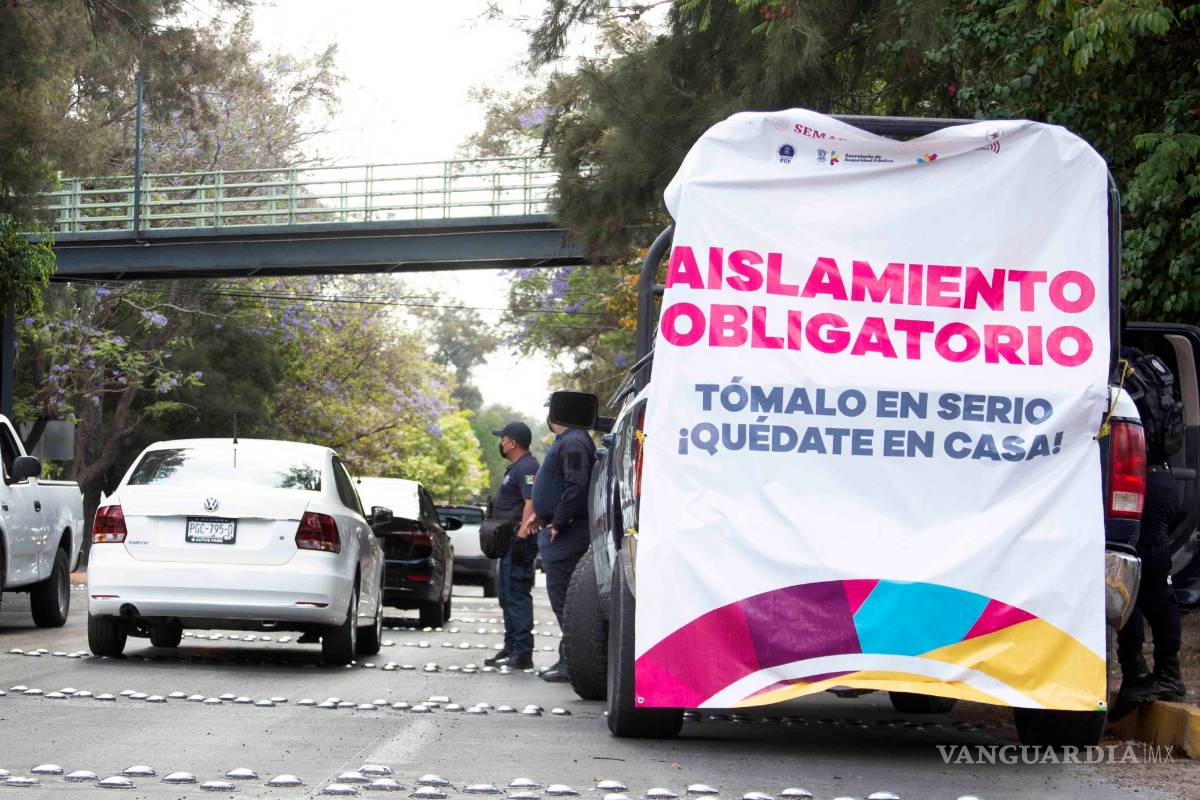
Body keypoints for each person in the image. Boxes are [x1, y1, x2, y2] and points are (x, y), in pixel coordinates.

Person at [1116, 346, 1185, 706]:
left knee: (1151, 581)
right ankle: (1135, 674)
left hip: (1143, 484)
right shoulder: (1141, 364)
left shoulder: (1118, 370)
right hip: (1159, 479)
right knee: (1130, 579)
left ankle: (1167, 675)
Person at [522, 412, 596, 682]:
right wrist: (541, 513)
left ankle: (571, 664)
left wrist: (559, 520)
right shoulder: (568, 440)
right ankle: (568, 660)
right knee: (563, 600)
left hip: (567, 533)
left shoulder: (573, 441)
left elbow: (576, 485)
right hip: (562, 529)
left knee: (566, 601)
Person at [484, 421, 539, 670]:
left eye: (503, 438)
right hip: (508, 542)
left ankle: (523, 652)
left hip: (519, 542)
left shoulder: (528, 467)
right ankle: (511, 646)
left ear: (513, 443)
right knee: (507, 595)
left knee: (516, 595)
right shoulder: (516, 467)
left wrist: (522, 535)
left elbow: (530, 502)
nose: (501, 443)